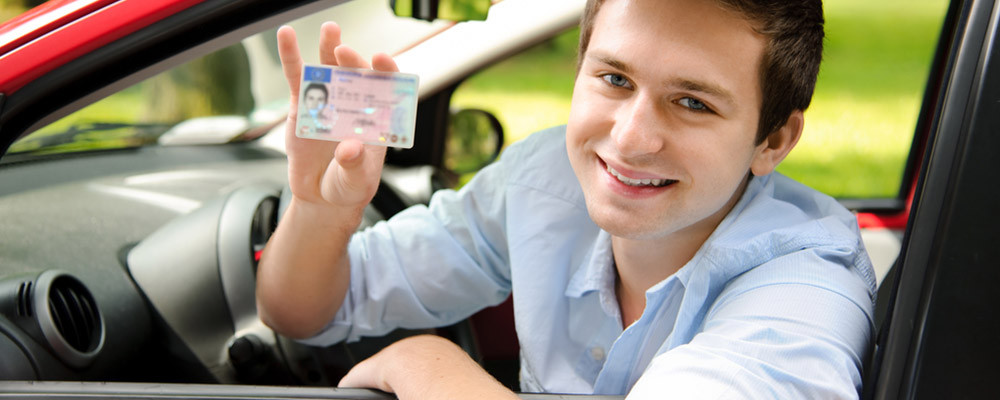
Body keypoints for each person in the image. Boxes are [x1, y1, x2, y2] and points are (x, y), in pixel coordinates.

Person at [256, 0, 876, 398]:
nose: (630, 139)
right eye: (615, 79)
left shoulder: (808, 282)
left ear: (773, 139)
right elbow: (303, 311)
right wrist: (322, 208)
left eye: (693, 102)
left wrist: (425, 363)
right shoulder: (541, 181)